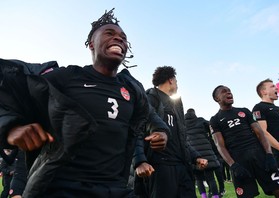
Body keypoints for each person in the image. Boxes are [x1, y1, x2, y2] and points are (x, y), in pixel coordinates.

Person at [0, 8, 169, 198]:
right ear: (91, 44)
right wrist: (10, 127)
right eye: (109, 33)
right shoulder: (67, 77)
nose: (119, 39)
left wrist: (160, 131)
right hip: (63, 188)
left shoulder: (132, 88)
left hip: (115, 188)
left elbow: (151, 116)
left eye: (123, 37)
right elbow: (10, 84)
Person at [134, 66, 208, 198]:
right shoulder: (150, 99)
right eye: (176, 81)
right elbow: (137, 130)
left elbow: (181, 139)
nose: (177, 85)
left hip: (183, 167)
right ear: (171, 80)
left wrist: (196, 157)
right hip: (161, 167)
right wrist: (139, 161)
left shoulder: (176, 105)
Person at [210, 85, 279, 198]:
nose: (229, 93)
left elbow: (260, 133)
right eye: (224, 92)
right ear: (217, 99)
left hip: (260, 156)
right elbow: (219, 145)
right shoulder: (215, 119)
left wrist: (269, 155)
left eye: (230, 91)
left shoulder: (244, 111)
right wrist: (233, 165)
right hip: (239, 161)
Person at [252, 78, 279, 182]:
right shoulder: (259, 108)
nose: (276, 88)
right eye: (272, 86)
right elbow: (263, 132)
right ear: (264, 92)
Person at [185, 108, 220, 198]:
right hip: (206, 153)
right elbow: (211, 126)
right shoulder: (200, 120)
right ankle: (215, 196)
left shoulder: (183, 123)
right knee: (211, 178)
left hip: (193, 154)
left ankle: (204, 196)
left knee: (199, 179)